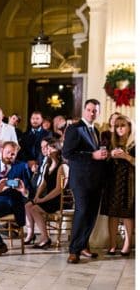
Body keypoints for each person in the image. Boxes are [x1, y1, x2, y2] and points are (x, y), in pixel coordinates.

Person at [62, 98, 108, 264]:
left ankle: (83, 245)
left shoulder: (95, 130)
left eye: (95, 110)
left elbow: (94, 154)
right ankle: (74, 250)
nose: (91, 113)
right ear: (84, 110)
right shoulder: (74, 128)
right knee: (82, 213)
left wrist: (103, 155)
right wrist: (92, 156)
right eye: (89, 110)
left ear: (98, 112)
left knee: (91, 215)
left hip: (95, 179)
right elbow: (67, 154)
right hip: (80, 180)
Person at [24, 139, 66, 249]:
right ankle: (30, 234)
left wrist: (42, 200)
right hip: (49, 196)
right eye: (48, 148)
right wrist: (37, 196)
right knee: (28, 205)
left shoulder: (62, 166)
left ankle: (45, 238)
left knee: (34, 209)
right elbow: (43, 183)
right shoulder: (48, 165)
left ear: (58, 150)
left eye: (51, 148)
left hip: (58, 199)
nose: (48, 150)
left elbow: (58, 189)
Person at [101, 115, 134, 256]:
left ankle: (127, 244)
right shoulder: (111, 143)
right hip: (113, 181)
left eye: (123, 125)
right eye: (117, 126)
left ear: (129, 128)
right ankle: (112, 244)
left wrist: (126, 156)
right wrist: (110, 154)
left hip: (129, 182)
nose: (120, 128)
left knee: (127, 214)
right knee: (112, 214)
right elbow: (103, 161)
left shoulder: (134, 144)